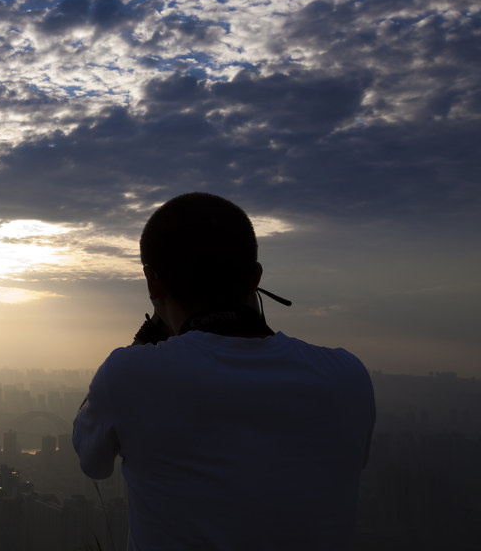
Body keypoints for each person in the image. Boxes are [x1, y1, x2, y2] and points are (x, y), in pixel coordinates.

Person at [73, 192, 375, 550]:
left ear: (153, 283)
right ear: (255, 278)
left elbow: (92, 461)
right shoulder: (347, 378)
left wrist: (151, 332)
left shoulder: (129, 375)